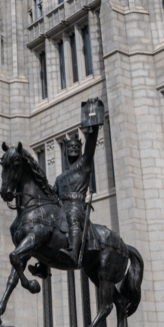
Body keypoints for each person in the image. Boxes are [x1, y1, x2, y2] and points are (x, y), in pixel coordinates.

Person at [56, 99, 102, 264]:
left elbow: (90, 144)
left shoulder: (84, 165)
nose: (74, 148)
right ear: (65, 152)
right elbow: (52, 196)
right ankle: (43, 265)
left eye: (77, 146)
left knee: (72, 216)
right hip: (61, 208)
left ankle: (74, 253)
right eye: (70, 147)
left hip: (76, 207)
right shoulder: (59, 179)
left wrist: (93, 123)